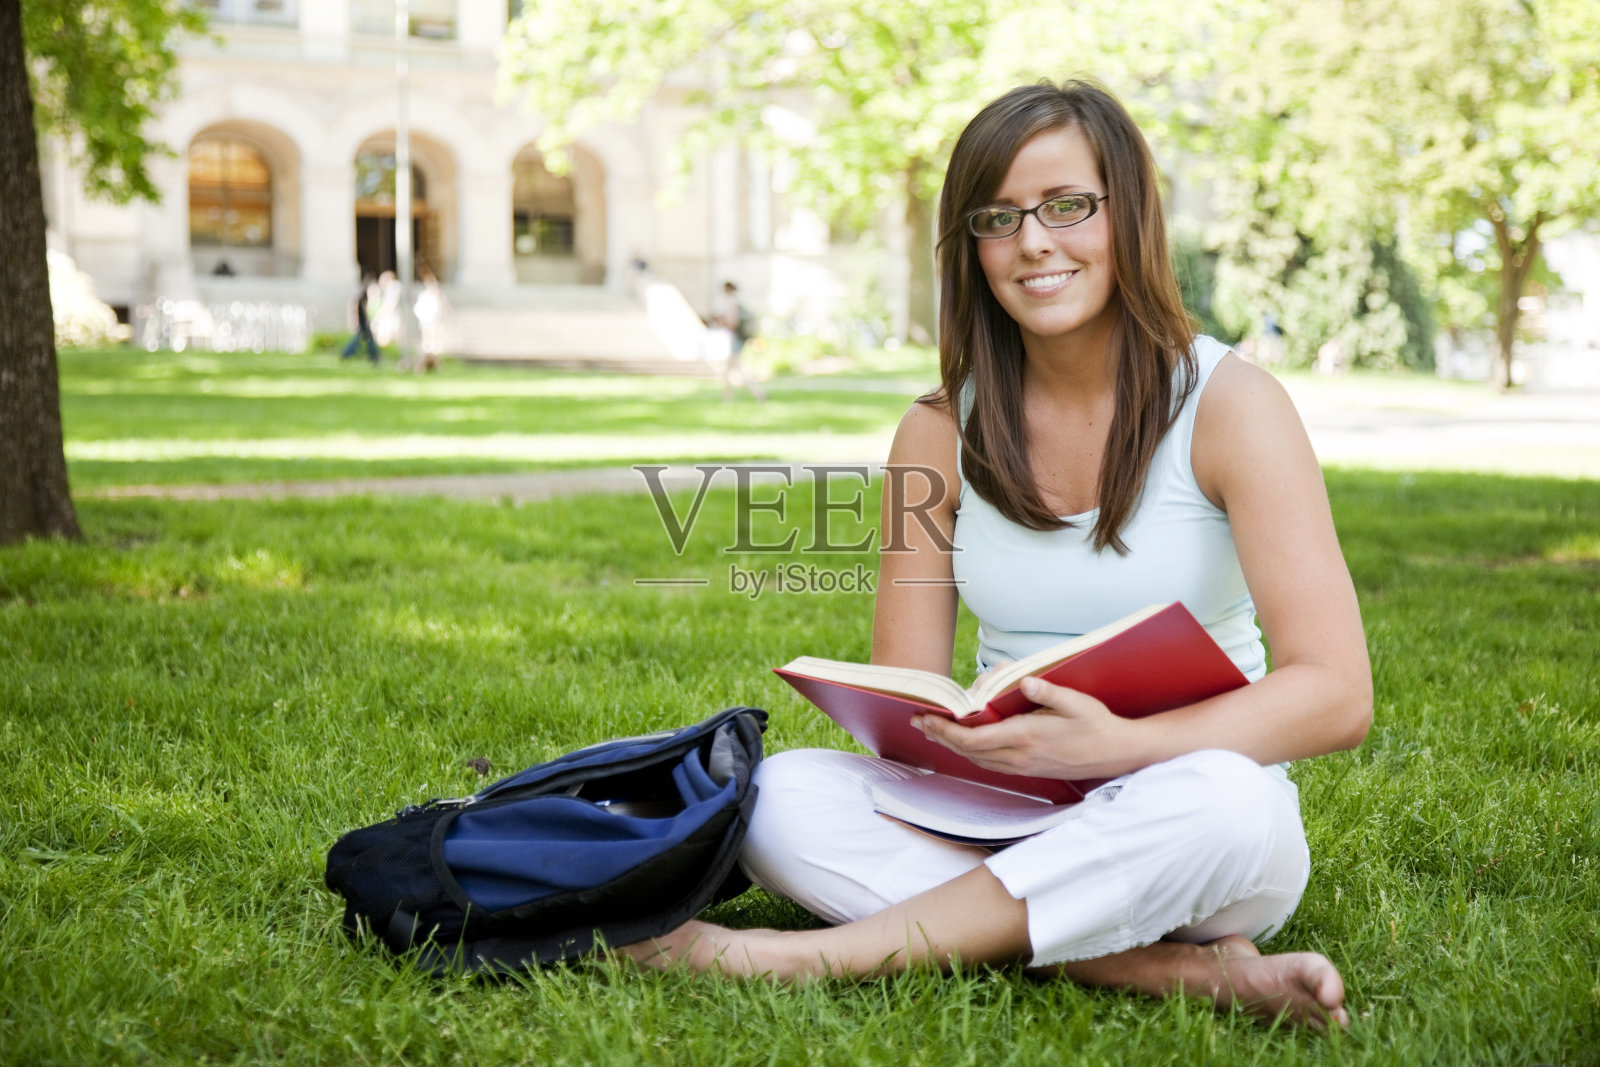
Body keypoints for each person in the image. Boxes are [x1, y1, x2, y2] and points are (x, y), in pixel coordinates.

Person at [621, 80, 1373, 1029]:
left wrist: (1120, 746)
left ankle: (803, 957)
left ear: (1129, 215)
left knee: (1230, 805)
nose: (1034, 242)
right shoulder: (936, 429)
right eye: (999, 217)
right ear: (971, 246)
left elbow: (1337, 693)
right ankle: (1157, 969)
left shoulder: (1233, 405)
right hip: (998, 810)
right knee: (779, 796)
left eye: (1067, 206)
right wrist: (959, 738)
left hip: (1186, 805)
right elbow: (906, 693)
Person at [714, 280, 765, 401]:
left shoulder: (730, 301)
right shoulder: (736, 300)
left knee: (738, 369)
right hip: (736, 339)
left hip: (735, 339)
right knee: (729, 370)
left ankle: (758, 393)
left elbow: (733, 322)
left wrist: (721, 322)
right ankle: (728, 398)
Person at [341, 272, 380, 363]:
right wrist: (366, 321)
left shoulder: (361, 292)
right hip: (363, 322)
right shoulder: (363, 294)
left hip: (362, 321)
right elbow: (363, 308)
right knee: (359, 340)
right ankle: (347, 353)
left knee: (365, 340)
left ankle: (373, 356)